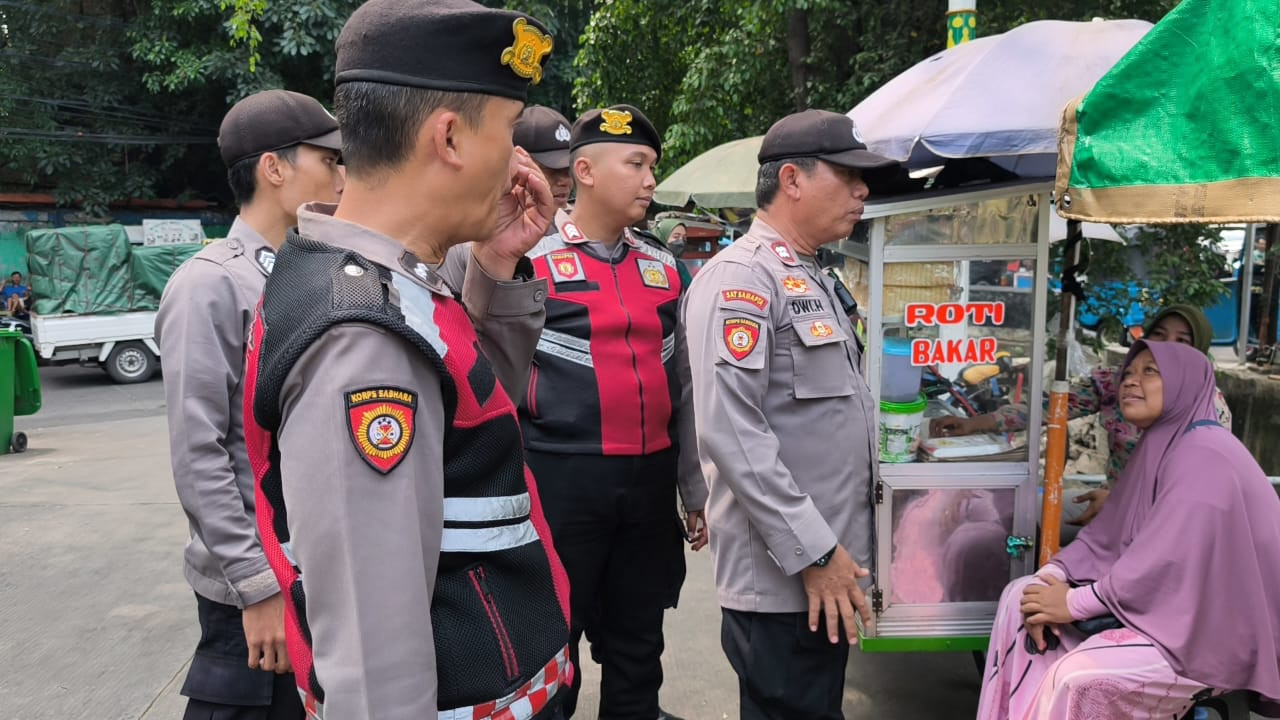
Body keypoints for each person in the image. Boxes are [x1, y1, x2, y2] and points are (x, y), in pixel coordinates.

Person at [240, 2, 572, 718]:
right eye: (511, 133)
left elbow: (475, 429)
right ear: (449, 137)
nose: (522, 165)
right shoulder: (361, 339)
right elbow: (374, 663)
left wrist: (496, 264)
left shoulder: (389, 276)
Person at [682, 109, 900, 719]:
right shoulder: (742, 279)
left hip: (826, 570)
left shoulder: (813, 276)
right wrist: (816, 555)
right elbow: (731, 430)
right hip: (789, 580)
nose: (862, 191)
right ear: (792, 180)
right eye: (848, 175)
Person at [156, 88, 343, 720]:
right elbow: (199, 452)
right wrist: (257, 587)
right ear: (275, 168)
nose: (342, 176)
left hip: (317, 570)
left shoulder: (316, 275)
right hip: (257, 587)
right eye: (329, 159)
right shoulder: (211, 285)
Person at [515, 103, 706, 720]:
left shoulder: (664, 269)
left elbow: (684, 391)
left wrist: (693, 490)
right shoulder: (527, 263)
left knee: (637, 652)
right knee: (553, 653)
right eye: (638, 164)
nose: (652, 179)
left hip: (648, 489)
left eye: (652, 165)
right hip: (560, 485)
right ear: (587, 170)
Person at [976, 340, 1280, 720]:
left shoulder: (1205, 453)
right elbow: (1106, 538)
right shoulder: (1160, 445)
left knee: (1079, 677)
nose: (1131, 382)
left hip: (1210, 634)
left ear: (1186, 383)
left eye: (1151, 371)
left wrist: (1071, 603)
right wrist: (1054, 577)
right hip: (1165, 613)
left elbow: (1162, 564)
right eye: (1129, 372)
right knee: (1021, 596)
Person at [932, 304, 1232, 525]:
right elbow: (1048, 407)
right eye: (1159, 335)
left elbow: (1199, 494)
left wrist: (1121, 504)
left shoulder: (1207, 410)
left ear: (1199, 353)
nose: (1167, 348)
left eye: (1182, 341)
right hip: (1109, 508)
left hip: (1166, 526)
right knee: (1016, 519)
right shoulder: (1120, 383)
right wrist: (974, 423)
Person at [515, 105, 574, 213]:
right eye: (551, 170)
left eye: (568, 170)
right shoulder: (488, 226)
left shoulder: (578, 226)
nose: (564, 181)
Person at [652, 219, 693, 288]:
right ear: (662, 238)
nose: (681, 241)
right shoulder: (650, 264)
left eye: (684, 238)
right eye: (676, 237)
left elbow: (690, 290)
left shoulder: (679, 265)